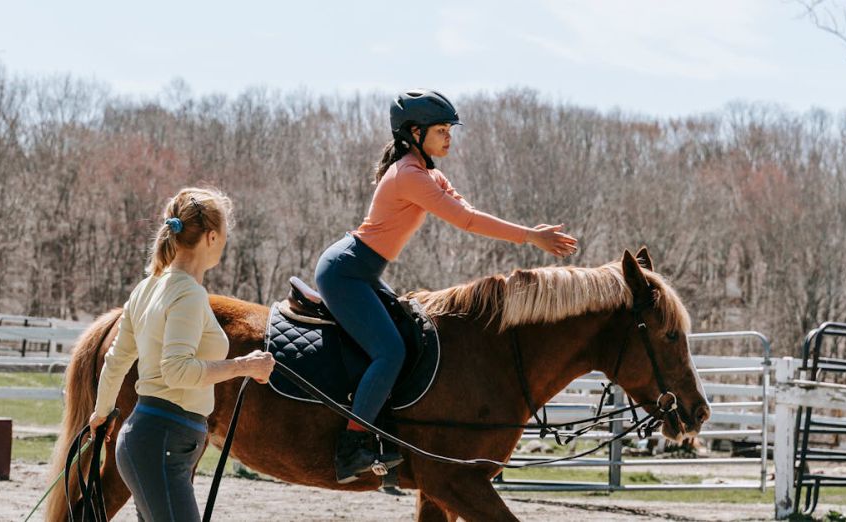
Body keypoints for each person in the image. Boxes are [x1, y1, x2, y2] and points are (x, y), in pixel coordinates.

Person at [315, 89, 579, 484]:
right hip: (345, 272)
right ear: (414, 134)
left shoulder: (428, 173)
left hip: (361, 270)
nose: (449, 137)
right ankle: (351, 445)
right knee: (390, 353)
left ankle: (386, 431)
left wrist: (528, 235)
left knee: (405, 340)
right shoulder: (408, 175)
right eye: (441, 130)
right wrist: (529, 237)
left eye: (449, 129)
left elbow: (468, 211)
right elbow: (466, 222)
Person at [88, 187, 275, 522]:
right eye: (225, 235)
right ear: (212, 236)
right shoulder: (188, 294)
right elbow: (177, 371)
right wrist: (244, 365)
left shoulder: (146, 289)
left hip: (150, 442)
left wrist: (101, 412)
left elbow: (116, 362)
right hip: (163, 443)